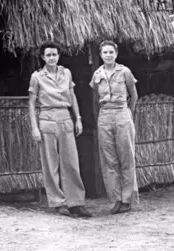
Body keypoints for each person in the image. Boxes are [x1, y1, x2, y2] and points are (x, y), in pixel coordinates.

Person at [28, 42, 92, 218]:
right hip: (47, 120)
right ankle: (58, 202)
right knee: (51, 163)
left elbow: (72, 96)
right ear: (43, 57)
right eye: (48, 55)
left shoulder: (66, 73)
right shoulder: (37, 77)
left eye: (54, 54)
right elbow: (32, 103)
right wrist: (34, 127)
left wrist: (77, 118)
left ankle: (76, 202)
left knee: (71, 162)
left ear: (58, 56)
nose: (51, 58)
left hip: (65, 118)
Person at [90, 40, 139, 214]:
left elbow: (133, 95)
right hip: (105, 115)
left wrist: (128, 113)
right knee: (109, 160)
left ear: (116, 54)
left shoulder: (124, 71)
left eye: (111, 52)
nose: (108, 55)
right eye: (105, 52)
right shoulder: (97, 74)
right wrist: (102, 117)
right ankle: (116, 199)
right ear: (101, 55)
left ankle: (127, 199)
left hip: (122, 113)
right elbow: (96, 98)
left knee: (126, 157)